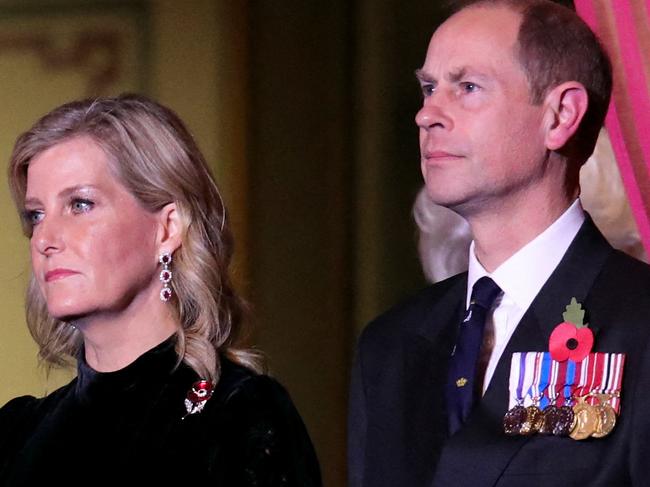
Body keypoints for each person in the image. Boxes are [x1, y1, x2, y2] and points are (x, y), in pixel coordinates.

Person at [349, 1, 650, 486]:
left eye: (467, 87)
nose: (427, 114)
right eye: (428, 88)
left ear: (559, 115)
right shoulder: (390, 347)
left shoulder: (640, 321)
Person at [0, 94, 322, 486]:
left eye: (80, 204)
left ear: (168, 228)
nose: (44, 238)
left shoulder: (239, 416)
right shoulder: (15, 435)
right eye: (36, 214)